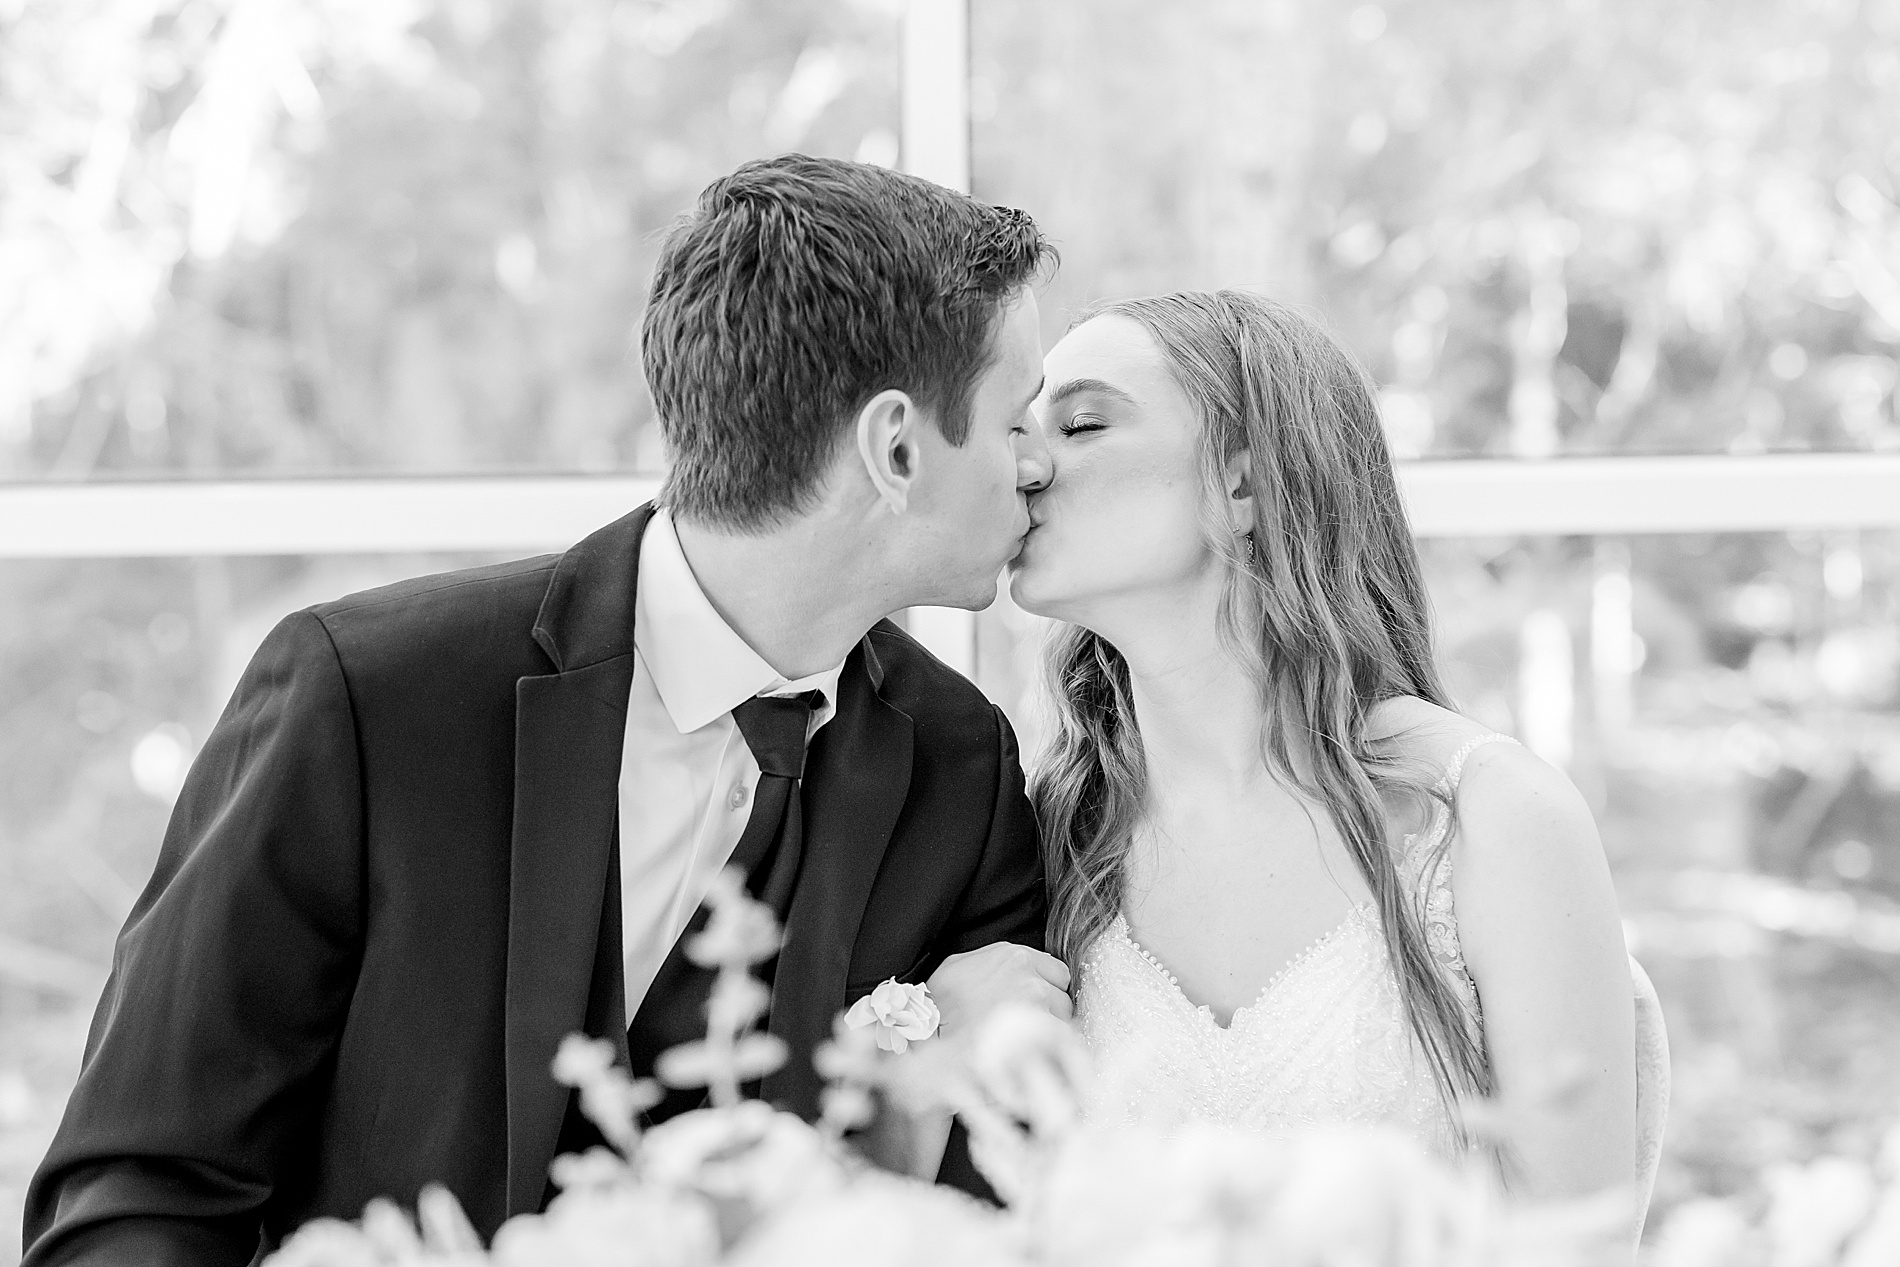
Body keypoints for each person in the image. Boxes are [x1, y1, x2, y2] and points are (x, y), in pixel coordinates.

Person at [24, 155, 1073, 1266]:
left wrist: (906, 1105)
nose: (1039, 464)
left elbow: (977, 1218)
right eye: (1017, 421)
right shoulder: (370, 698)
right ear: (897, 448)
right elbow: (135, 1192)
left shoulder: (959, 769)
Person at [1010, 289, 1637, 1200]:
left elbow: (1578, 1244)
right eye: (1024, 429)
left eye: (1083, 424)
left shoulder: (1494, 819)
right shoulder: (1048, 832)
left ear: (1245, 483)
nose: (1027, 466)